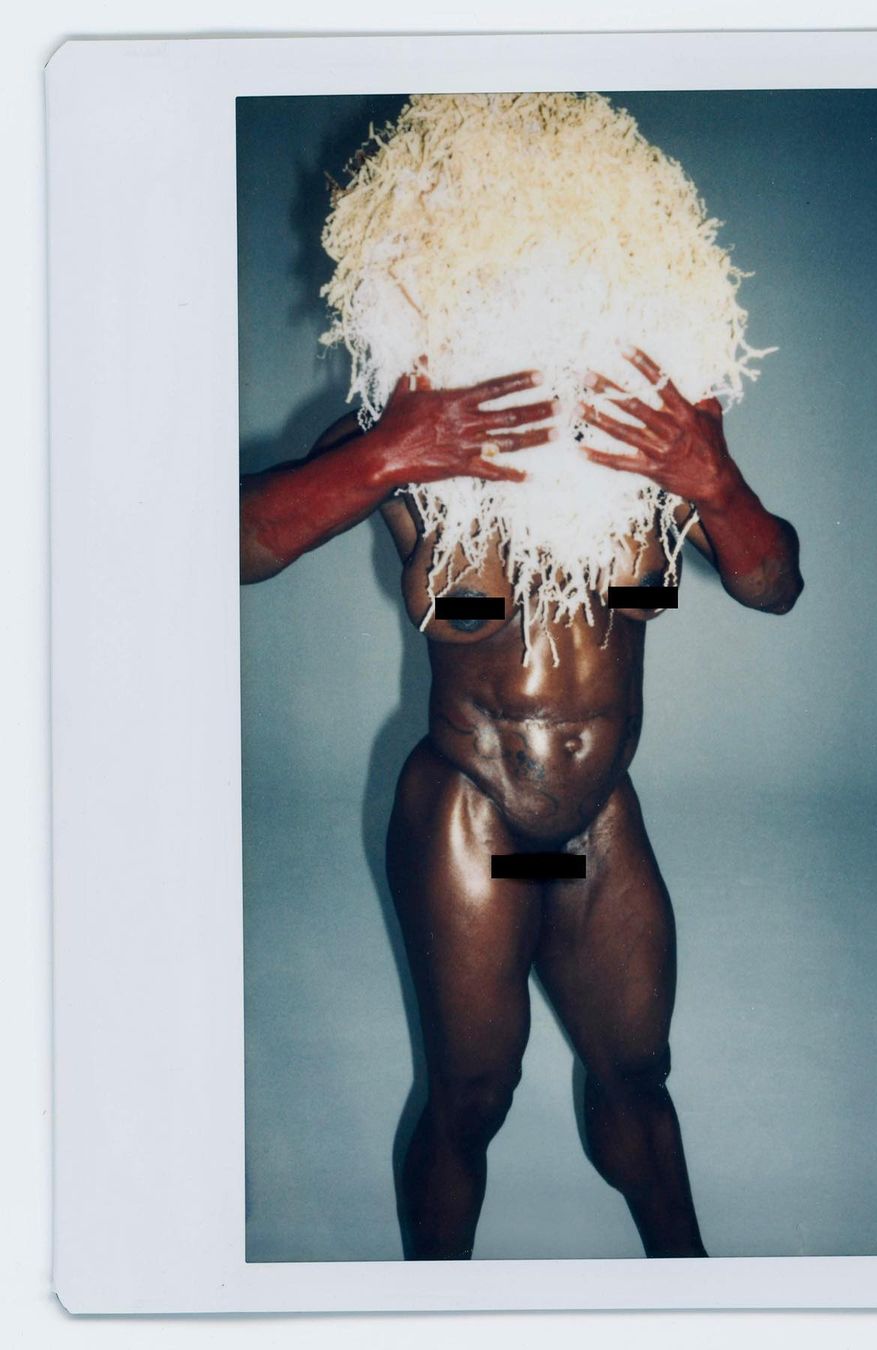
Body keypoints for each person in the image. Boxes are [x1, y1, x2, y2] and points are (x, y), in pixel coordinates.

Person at [240, 342, 803, 1259]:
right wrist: (386, 453)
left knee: (636, 1075)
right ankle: (436, 1309)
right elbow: (232, 546)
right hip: (469, 813)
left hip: (595, 823)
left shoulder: (646, 434)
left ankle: (694, 1296)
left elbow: (777, 587)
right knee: (471, 1096)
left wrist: (718, 484)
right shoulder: (417, 415)